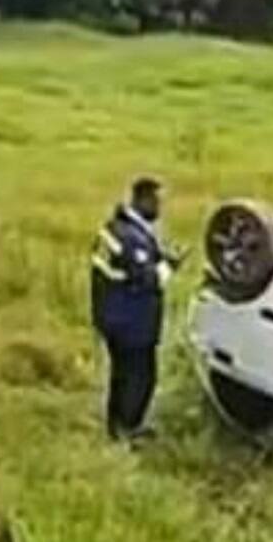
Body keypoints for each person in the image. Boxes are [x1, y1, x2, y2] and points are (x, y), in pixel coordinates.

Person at [90, 177, 183, 442]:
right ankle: (129, 430)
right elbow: (147, 278)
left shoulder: (113, 227)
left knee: (120, 374)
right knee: (140, 377)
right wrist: (170, 267)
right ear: (142, 201)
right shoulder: (131, 238)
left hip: (110, 315)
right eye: (156, 202)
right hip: (131, 321)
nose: (159, 208)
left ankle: (116, 425)